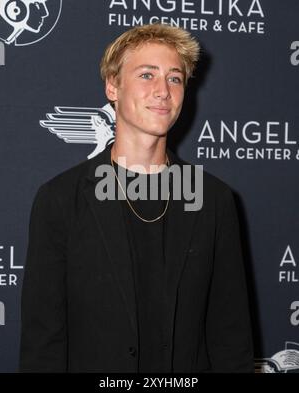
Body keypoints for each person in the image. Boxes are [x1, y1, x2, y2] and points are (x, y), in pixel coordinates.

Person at [19, 23, 254, 373]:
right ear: (112, 87)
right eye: (147, 75)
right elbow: (43, 344)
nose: (163, 90)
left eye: (175, 78)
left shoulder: (214, 200)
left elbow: (230, 336)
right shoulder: (60, 200)